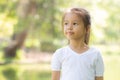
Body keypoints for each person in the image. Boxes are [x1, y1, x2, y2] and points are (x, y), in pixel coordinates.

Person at [51, 7, 104, 80]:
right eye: (66, 23)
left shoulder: (95, 54)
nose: (69, 27)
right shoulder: (60, 54)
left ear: (87, 29)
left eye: (74, 24)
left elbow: (99, 78)